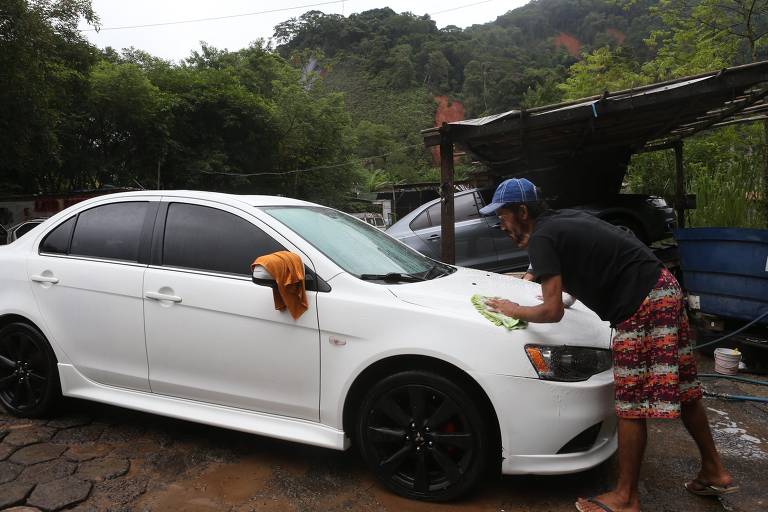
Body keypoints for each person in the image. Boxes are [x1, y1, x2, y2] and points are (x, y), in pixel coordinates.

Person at [480, 178, 737, 512]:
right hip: (663, 288)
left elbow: (551, 310)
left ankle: (625, 497)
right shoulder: (563, 221)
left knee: (630, 402)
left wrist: (512, 309)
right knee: (685, 390)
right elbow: (584, 268)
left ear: (522, 211)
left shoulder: (542, 237)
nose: (500, 222)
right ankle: (714, 470)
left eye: (502, 215)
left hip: (640, 302)